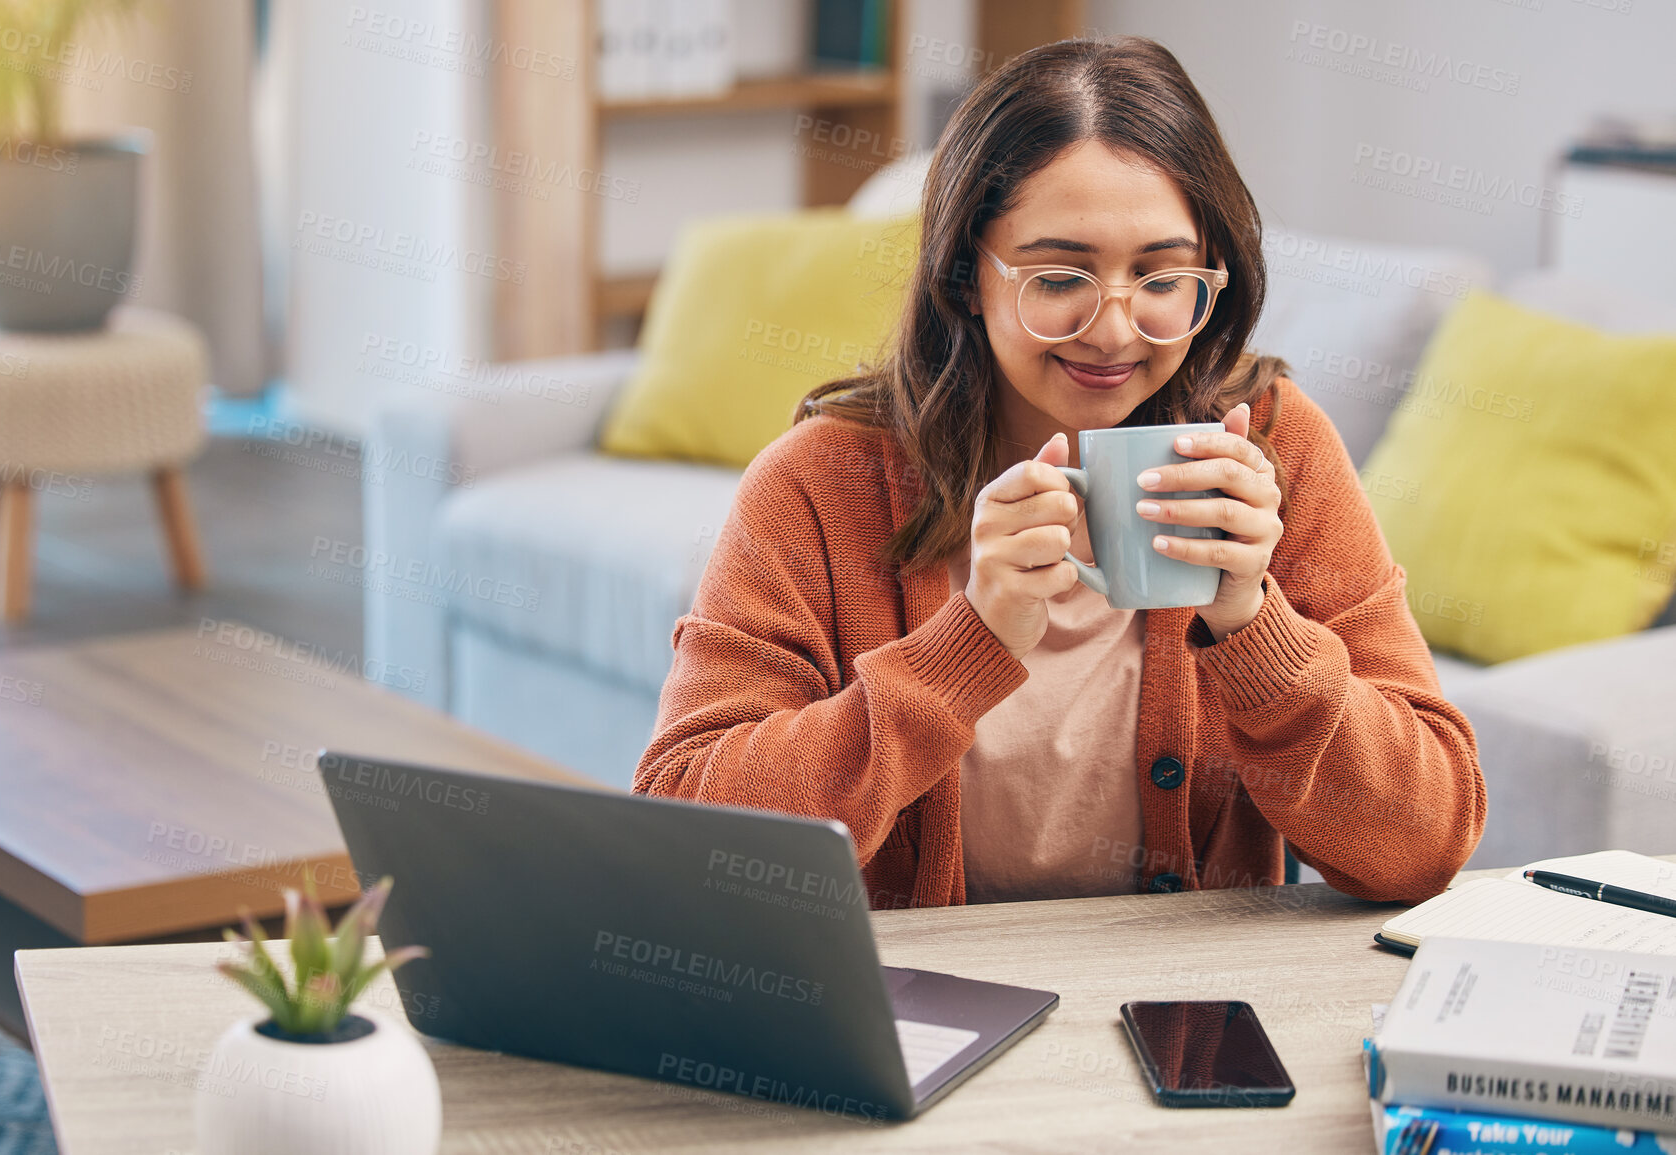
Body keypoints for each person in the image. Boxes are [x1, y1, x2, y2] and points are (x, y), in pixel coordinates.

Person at [633, 35, 1485, 908]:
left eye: (1160, 275)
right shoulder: (824, 482)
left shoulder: (1270, 448)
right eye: (1060, 275)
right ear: (966, 275)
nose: (1114, 331)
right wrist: (968, 643)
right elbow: (687, 844)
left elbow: (1421, 846)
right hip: (926, 1016)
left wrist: (1252, 622)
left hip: (1183, 1010)